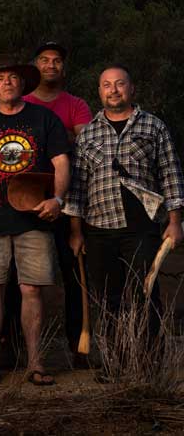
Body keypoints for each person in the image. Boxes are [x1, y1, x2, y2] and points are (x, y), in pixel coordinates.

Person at [66, 65, 184, 370]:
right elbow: (78, 187)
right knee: (108, 297)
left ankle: (148, 362)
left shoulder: (153, 127)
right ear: (99, 91)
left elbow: (170, 174)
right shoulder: (88, 133)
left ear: (131, 89)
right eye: (106, 85)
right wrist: (76, 232)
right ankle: (115, 362)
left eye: (120, 84)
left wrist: (174, 221)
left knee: (144, 292)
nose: (113, 90)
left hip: (142, 226)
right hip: (99, 227)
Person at [0, 55, 70, 386]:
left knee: (31, 290)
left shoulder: (44, 119)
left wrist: (57, 199)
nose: (7, 82)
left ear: (24, 84)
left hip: (35, 219)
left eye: (12, 77)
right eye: (0, 79)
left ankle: (36, 363)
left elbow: (61, 162)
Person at [18, 42, 93, 367]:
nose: (51, 65)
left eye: (57, 61)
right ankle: (19, 350)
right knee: (19, 280)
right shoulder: (21, 103)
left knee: (74, 274)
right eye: (45, 60)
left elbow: (85, 145)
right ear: (35, 66)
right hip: (25, 200)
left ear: (63, 68)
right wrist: (60, 138)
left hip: (69, 201)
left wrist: (46, 142)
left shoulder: (76, 104)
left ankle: (79, 346)